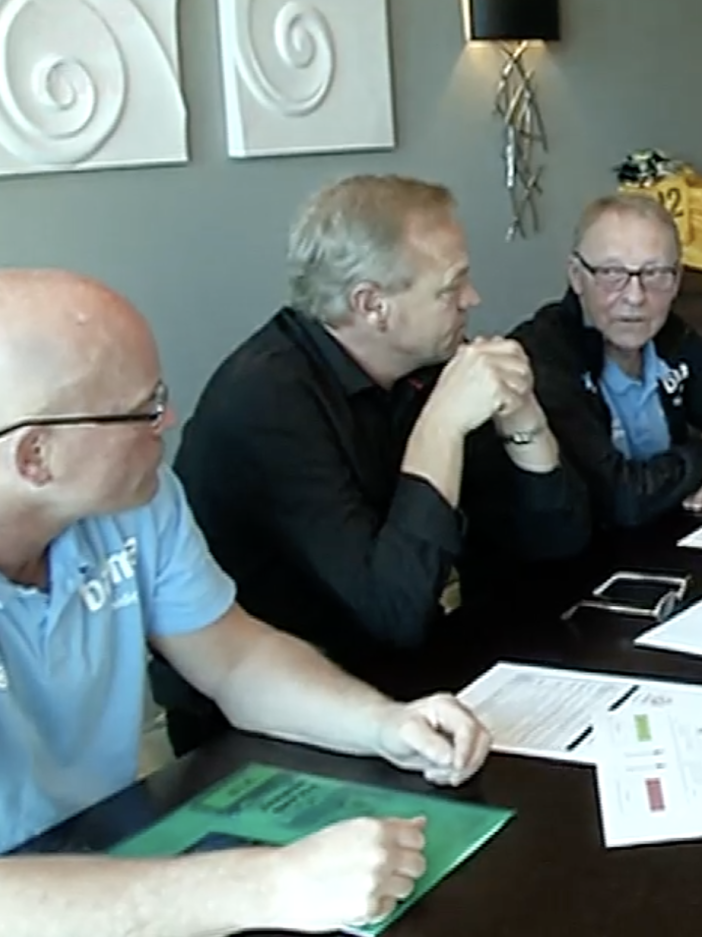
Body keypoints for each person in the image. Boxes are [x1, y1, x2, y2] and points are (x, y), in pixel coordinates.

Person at [0, 268, 494, 936]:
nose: (168, 421)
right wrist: (276, 884)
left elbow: (234, 658)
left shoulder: (132, 499)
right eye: (145, 409)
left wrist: (381, 724)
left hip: (105, 853)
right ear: (35, 457)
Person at [154, 175, 590, 755]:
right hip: (266, 722)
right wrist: (440, 426)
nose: (473, 299)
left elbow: (559, 541)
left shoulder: (422, 364)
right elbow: (394, 610)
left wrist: (523, 417)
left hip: (392, 679)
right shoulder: (266, 401)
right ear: (371, 305)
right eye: (451, 286)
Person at [512, 193, 702, 527]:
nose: (635, 297)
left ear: (676, 280)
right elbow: (617, 499)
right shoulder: (544, 358)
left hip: (664, 539)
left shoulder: (670, 338)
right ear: (577, 276)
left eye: (655, 273)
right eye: (612, 273)